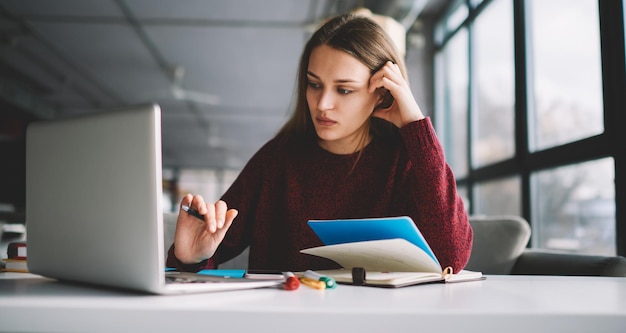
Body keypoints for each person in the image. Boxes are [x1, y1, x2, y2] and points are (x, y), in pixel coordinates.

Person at [167, 13, 473, 273]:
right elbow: (207, 253)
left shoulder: (406, 162)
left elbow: (451, 258)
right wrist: (188, 257)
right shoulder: (277, 160)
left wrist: (416, 128)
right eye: (314, 85)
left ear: (381, 93)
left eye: (344, 90)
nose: (322, 104)